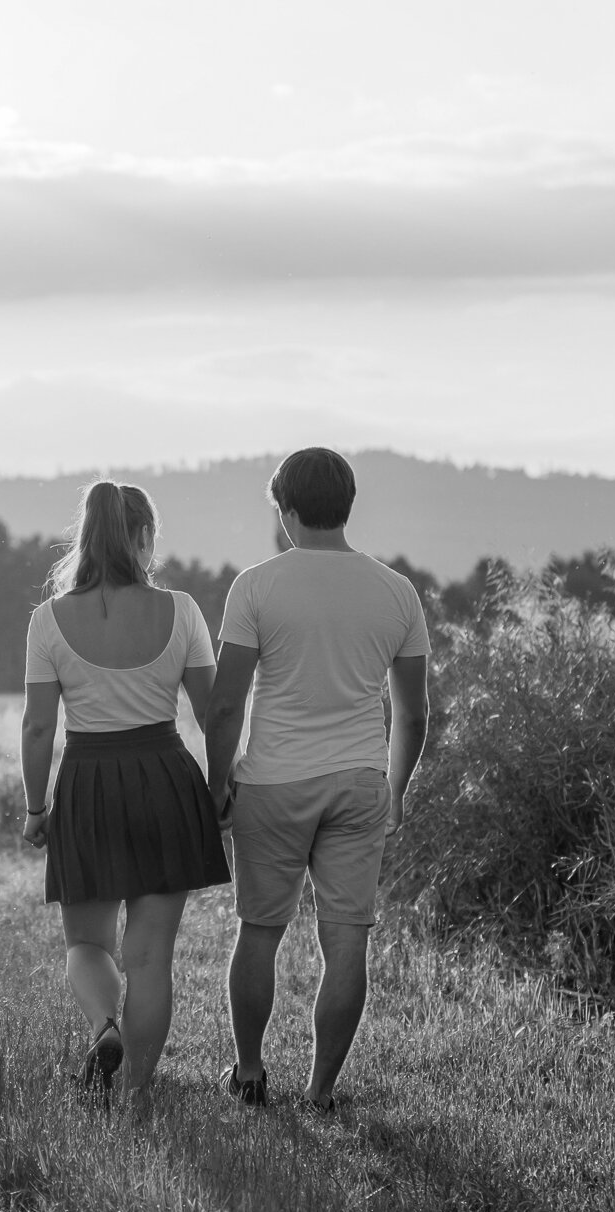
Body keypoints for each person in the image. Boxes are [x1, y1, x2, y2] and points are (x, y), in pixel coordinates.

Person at [204, 447, 430, 1113]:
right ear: (346, 505)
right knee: (347, 939)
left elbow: (226, 705)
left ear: (287, 509)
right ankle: (321, 1091)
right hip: (360, 781)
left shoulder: (255, 586)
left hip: (273, 783)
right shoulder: (397, 591)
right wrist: (396, 788)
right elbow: (413, 713)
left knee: (259, 930)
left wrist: (217, 785)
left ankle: (250, 1073)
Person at [21, 481, 231, 1109]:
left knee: (87, 945)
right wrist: (220, 788)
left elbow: (37, 728)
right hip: (166, 783)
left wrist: (36, 809)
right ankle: (135, 1097)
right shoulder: (182, 610)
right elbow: (214, 715)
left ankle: (103, 1027)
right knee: (150, 960)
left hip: (89, 785)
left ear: (84, 538)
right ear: (143, 537)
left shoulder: (47, 619)